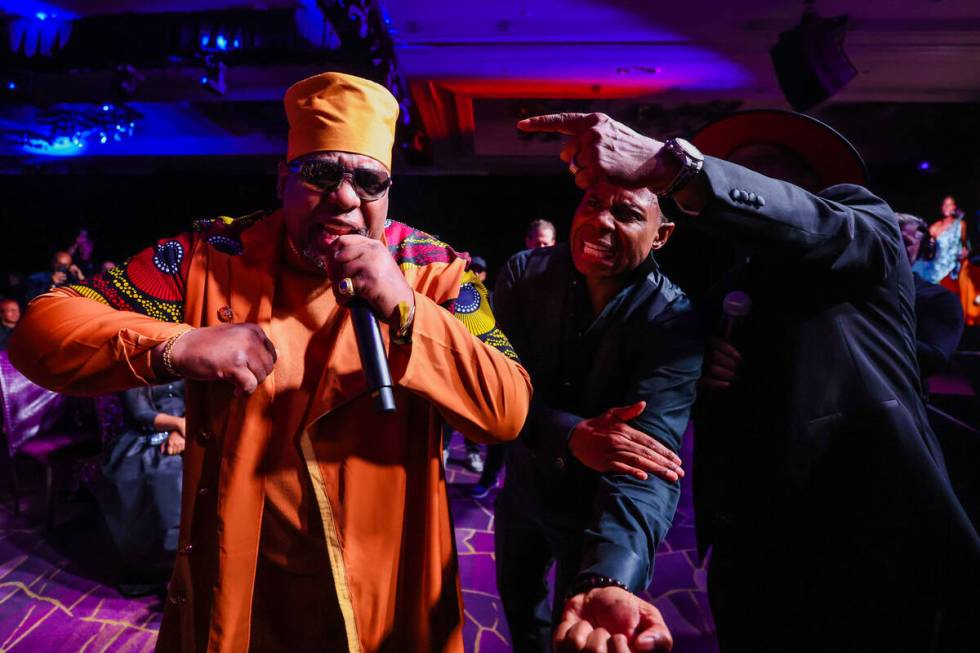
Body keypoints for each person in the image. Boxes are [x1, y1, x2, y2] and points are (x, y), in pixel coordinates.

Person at [10, 72, 531, 653]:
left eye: (368, 181)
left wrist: (410, 311)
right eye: (321, 173)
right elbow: (40, 329)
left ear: (388, 192)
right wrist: (177, 344)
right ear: (282, 178)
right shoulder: (209, 256)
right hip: (243, 571)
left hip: (386, 575)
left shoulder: (435, 270)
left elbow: (507, 410)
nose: (345, 198)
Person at [519, 109, 980, 652]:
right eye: (734, 171)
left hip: (878, 540)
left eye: (763, 176)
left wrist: (678, 169)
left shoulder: (866, 227)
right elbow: (661, 435)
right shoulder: (724, 294)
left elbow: (821, 230)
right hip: (753, 552)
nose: (741, 190)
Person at [492, 152, 702, 651]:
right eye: (591, 204)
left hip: (595, 512)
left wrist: (610, 575)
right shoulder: (524, 274)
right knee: (521, 612)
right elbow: (494, 390)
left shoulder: (673, 320)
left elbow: (649, 460)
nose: (599, 221)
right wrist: (572, 434)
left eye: (627, 213)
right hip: (523, 483)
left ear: (661, 235)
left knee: (578, 619)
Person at [97, 381, 186, 596]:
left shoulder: (194, 355)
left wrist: (184, 431)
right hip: (145, 434)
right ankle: (166, 571)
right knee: (165, 473)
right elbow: (141, 413)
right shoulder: (136, 365)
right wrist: (181, 425)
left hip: (190, 431)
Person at [897, 212, 965, 380]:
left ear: (924, 250)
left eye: (905, 242)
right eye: (888, 238)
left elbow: (934, 359)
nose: (893, 246)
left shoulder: (940, 299)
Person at [913, 195, 980, 325]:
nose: (946, 207)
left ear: (954, 207)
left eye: (949, 205)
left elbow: (965, 245)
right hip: (936, 264)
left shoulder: (960, 224)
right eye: (944, 204)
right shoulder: (935, 226)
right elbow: (929, 247)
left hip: (954, 263)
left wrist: (965, 251)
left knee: (969, 271)